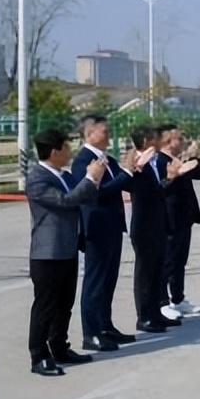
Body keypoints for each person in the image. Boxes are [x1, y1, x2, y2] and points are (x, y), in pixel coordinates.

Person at [26, 129, 106, 376]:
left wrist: (95, 179)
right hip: (48, 253)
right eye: (67, 147)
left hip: (68, 248)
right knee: (46, 306)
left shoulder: (65, 175)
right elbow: (66, 201)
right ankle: (39, 355)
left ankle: (60, 347)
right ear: (55, 152)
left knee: (64, 304)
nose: (70, 152)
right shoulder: (37, 178)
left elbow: (84, 197)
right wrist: (90, 178)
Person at [72, 115, 147, 352]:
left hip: (113, 227)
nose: (108, 135)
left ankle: (105, 326)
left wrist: (135, 170)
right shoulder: (83, 161)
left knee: (108, 280)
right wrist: (125, 173)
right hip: (96, 228)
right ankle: (90, 333)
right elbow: (96, 192)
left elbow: (123, 184)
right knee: (95, 282)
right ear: (89, 133)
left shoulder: (107, 159)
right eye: (104, 131)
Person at [156, 123, 200, 317]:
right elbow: (162, 188)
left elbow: (198, 174)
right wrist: (177, 172)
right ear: (167, 141)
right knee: (168, 261)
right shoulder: (160, 161)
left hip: (185, 216)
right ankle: (162, 302)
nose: (183, 141)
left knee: (180, 260)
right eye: (179, 138)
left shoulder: (178, 159)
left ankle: (178, 298)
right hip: (170, 218)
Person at [125, 125, 182, 333]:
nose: (158, 142)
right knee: (145, 274)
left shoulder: (153, 163)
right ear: (146, 141)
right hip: (144, 226)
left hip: (158, 224)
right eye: (154, 139)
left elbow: (158, 191)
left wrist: (170, 179)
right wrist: (135, 168)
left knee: (158, 271)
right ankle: (144, 316)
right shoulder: (137, 164)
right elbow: (142, 192)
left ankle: (156, 313)